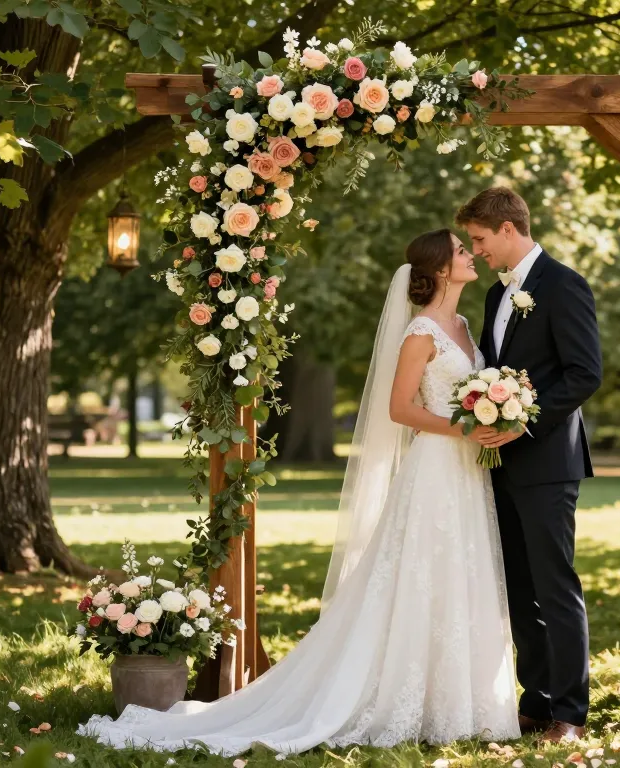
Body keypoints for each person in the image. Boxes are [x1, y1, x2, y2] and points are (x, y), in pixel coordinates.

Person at [78, 229, 521, 757]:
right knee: (423, 573)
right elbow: (400, 409)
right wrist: (465, 427)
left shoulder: (465, 326)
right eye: (461, 250)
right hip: (435, 469)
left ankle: (454, 703)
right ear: (441, 268)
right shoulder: (421, 331)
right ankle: (395, 698)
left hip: (468, 470)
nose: (471, 254)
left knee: (461, 571)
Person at [457, 187, 602, 743]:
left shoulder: (563, 285)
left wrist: (524, 422)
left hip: (548, 462)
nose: (477, 251)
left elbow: (584, 373)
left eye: (480, 239)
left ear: (508, 229)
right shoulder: (497, 295)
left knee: (554, 586)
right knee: (519, 588)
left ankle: (571, 713)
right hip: (499, 463)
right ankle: (536, 703)